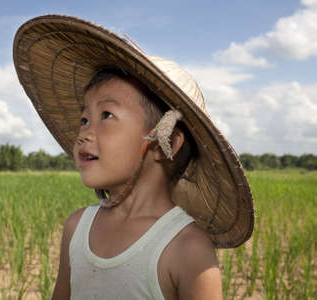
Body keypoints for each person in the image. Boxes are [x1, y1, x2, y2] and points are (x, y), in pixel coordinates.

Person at [13, 15, 254, 300]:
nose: (83, 134)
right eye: (83, 119)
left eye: (106, 115)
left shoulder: (187, 248)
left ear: (166, 141)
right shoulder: (77, 228)